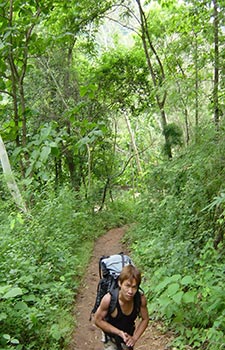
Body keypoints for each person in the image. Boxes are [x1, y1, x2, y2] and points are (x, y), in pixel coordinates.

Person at [94, 264, 149, 350]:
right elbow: (97, 320)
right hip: (110, 337)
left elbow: (145, 319)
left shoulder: (140, 299)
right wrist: (119, 332)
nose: (130, 291)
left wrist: (134, 338)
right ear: (120, 283)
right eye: (127, 286)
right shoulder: (109, 299)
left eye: (134, 287)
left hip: (127, 338)